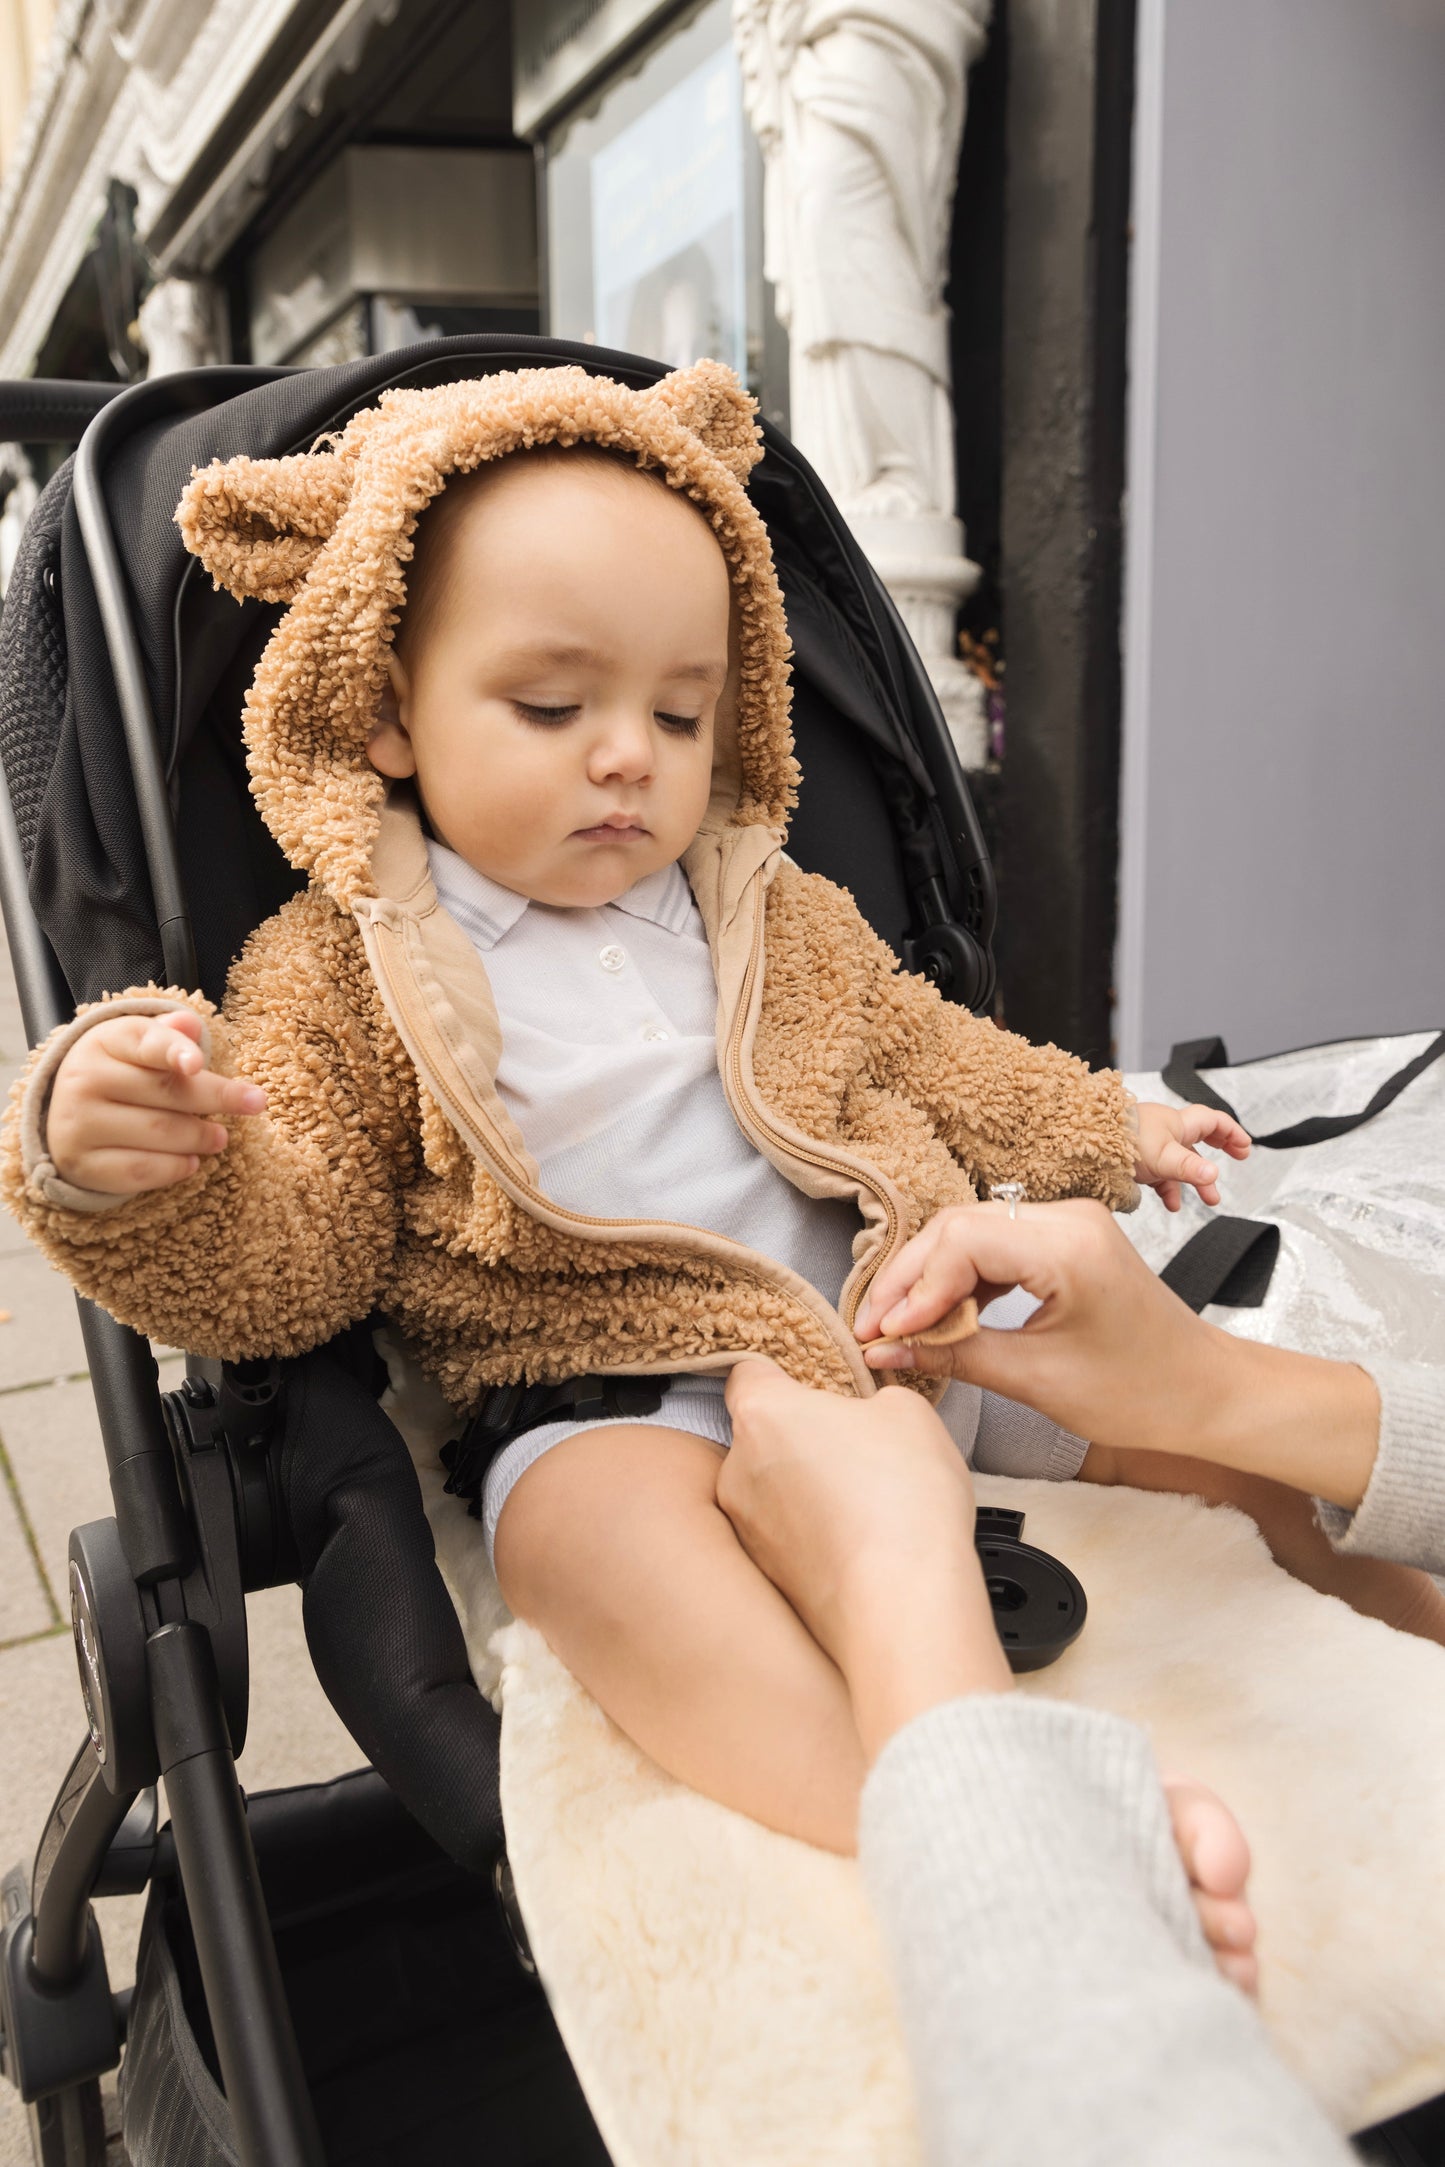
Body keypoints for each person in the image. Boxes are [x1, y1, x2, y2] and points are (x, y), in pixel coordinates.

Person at [3, 359, 1239, 1863]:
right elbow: (300, 1233)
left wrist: (1104, 1121)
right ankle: (923, 1825)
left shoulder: (770, 908)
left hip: (905, 1314)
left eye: (679, 708)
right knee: (586, 1540)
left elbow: (934, 1050)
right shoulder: (350, 967)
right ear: (385, 708)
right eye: (550, 703)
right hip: (614, 1391)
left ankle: (1355, 1574)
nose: (627, 755)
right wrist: (144, 1166)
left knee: (1182, 1413)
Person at [717, 1203, 1445, 2163]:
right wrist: (1215, 1385)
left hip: (907, 1345)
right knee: (612, 1546)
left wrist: (889, 1579)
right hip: (636, 1388)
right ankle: (877, 1800)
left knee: (1234, 1478)